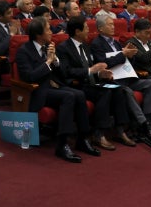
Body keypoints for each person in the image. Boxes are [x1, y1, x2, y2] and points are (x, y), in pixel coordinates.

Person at [15, 17, 100, 163]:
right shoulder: (24, 51)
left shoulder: (49, 46)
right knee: (68, 96)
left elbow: (62, 73)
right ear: (38, 34)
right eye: (48, 29)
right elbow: (29, 77)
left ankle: (82, 138)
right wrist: (48, 61)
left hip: (54, 86)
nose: (51, 32)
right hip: (37, 91)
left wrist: (55, 60)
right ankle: (62, 144)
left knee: (79, 94)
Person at [58, 16, 135, 150]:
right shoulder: (63, 48)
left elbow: (93, 68)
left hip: (92, 82)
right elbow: (67, 71)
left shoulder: (85, 46)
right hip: (78, 85)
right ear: (77, 31)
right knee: (104, 93)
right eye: (86, 28)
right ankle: (99, 133)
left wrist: (100, 73)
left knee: (117, 89)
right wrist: (90, 71)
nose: (89, 31)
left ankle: (120, 129)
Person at [90, 15, 151, 141]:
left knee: (150, 83)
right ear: (100, 28)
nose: (113, 27)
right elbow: (103, 64)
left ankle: (149, 120)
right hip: (113, 80)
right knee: (126, 91)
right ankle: (144, 124)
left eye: (113, 24)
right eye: (109, 24)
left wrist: (130, 57)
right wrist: (123, 55)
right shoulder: (96, 44)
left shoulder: (116, 42)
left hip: (126, 77)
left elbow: (125, 61)